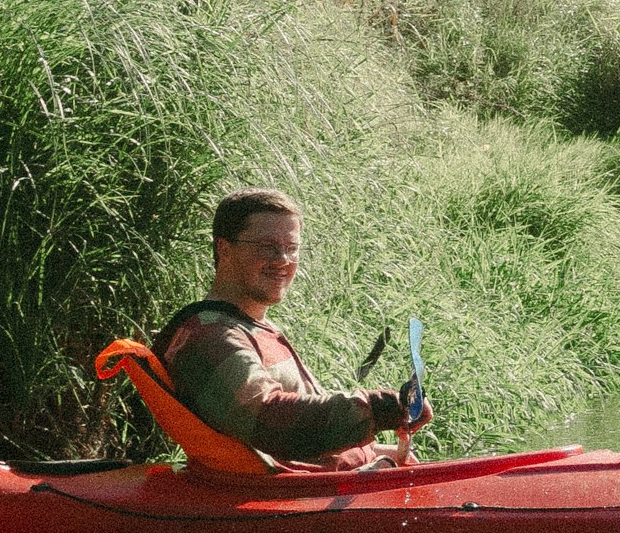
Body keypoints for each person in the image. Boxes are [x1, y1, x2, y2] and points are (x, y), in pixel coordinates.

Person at [155, 190, 432, 466]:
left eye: (292, 247)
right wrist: (378, 409)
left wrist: (375, 452)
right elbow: (268, 419)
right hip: (288, 493)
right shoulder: (210, 336)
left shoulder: (250, 327)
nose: (283, 259)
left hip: (314, 483)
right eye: (266, 246)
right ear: (224, 250)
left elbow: (302, 443)